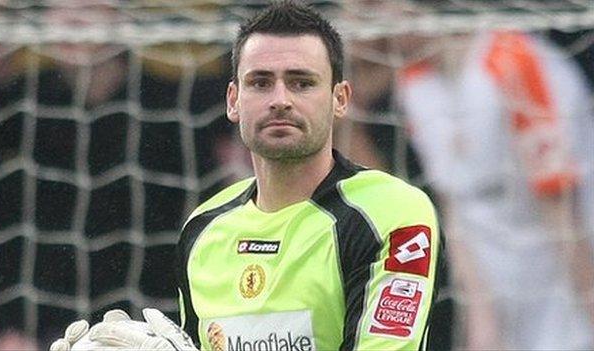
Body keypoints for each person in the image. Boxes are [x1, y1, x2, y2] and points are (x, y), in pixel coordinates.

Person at [51, 1, 442, 350]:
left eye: (301, 82)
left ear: (340, 99)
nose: (280, 99)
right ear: (233, 101)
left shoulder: (391, 212)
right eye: (260, 82)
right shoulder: (203, 227)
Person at [396, 29, 594, 349]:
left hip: (562, 279)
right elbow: (454, 215)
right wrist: (482, 330)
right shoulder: (413, 81)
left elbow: (564, 217)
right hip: (500, 283)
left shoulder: (512, 59)